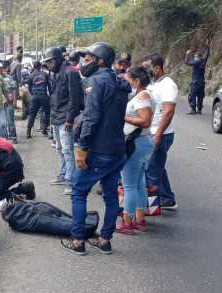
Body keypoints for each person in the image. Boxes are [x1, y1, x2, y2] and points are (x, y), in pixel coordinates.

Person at [61, 42, 130, 256]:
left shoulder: (95, 82)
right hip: (117, 149)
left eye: (89, 59)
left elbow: (91, 117)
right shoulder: (119, 82)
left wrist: (83, 147)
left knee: (79, 192)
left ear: (101, 61)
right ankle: (104, 240)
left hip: (99, 150)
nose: (84, 62)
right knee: (110, 195)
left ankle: (78, 241)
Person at [116, 66, 155, 234]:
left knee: (129, 185)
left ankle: (127, 222)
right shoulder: (144, 95)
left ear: (137, 81)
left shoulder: (142, 96)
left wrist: (123, 117)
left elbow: (145, 121)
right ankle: (140, 219)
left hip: (136, 143)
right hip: (142, 142)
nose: (126, 83)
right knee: (139, 184)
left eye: (128, 80)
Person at [44, 47, 84, 195]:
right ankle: (63, 174)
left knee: (67, 150)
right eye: (47, 62)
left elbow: (75, 98)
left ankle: (71, 181)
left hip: (65, 118)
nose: (48, 65)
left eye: (50, 61)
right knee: (59, 149)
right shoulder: (53, 73)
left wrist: (70, 118)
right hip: (55, 116)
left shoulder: (71, 72)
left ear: (58, 59)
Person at [143, 53, 178, 209]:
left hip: (161, 134)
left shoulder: (168, 85)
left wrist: (157, 135)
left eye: (147, 67)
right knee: (157, 167)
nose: (145, 70)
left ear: (157, 68)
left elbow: (168, 111)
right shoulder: (153, 83)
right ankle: (167, 199)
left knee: (151, 172)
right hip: (152, 132)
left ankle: (150, 208)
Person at [26, 60, 51, 138]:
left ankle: (28, 132)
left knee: (32, 114)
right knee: (47, 113)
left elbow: (29, 88)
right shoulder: (45, 74)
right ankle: (44, 130)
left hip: (35, 96)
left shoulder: (31, 75)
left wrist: (33, 94)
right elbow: (49, 86)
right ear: (40, 67)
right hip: (44, 95)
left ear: (33, 67)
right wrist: (50, 94)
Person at [0, 62, 18, 143]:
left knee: (10, 120)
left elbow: (14, 89)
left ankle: (13, 136)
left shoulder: (9, 78)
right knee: (2, 122)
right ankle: (4, 137)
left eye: (0, 69)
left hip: (9, 102)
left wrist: (15, 100)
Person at [185, 47, 209, 115]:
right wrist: (207, 47)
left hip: (195, 82)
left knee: (191, 95)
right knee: (200, 96)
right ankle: (199, 110)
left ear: (198, 57)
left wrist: (187, 54)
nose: (194, 58)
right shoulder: (203, 61)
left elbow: (187, 62)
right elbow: (207, 55)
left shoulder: (196, 62)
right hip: (202, 82)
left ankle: (193, 109)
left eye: (195, 56)